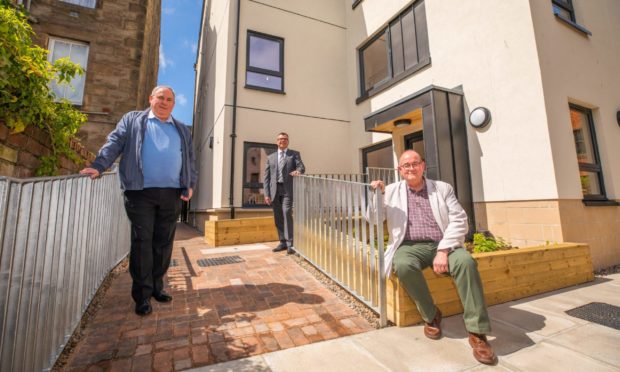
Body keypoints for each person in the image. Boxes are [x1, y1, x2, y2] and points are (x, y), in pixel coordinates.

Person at [370, 150, 497, 365]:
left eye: (415, 163)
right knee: (402, 264)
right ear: (399, 170)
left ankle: (477, 332)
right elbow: (374, 219)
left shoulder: (442, 188)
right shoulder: (391, 191)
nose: (411, 168)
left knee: (466, 263)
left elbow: (459, 219)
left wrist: (443, 250)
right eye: (406, 165)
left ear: (423, 166)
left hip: (443, 243)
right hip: (409, 245)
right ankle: (431, 314)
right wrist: (377, 196)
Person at [80, 85, 197, 316]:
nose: (164, 102)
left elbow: (190, 160)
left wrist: (189, 185)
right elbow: (114, 142)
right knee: (143, 242)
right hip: (139, 191)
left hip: (172, 193)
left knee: (163, 243)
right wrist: (98, 166)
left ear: (174, 104)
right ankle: (142, 296)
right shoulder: (133, 120)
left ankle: (157, 287)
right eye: (160, 98)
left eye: (169, 99)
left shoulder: (182, 129)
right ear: (151, 99)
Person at [263, 132, 305, 254]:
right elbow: (266, 178)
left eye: (285, 139)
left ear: (288, 141)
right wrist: (266, 194)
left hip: (287, 190)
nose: (283, 141)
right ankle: (282, 242)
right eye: (280, 139)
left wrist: (298, 171)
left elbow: (301, 167)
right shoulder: (270, 157)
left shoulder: (294, 154)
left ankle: (290, 244)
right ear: (277, 141)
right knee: (278, 217)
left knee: (286, 212)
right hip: (274, 191)